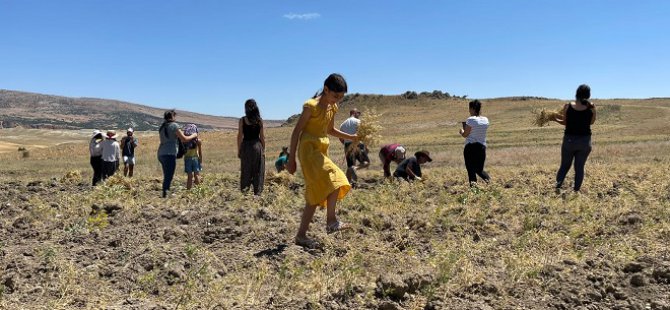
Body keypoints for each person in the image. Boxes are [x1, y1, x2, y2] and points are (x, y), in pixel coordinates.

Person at [287, 73, 356, 247]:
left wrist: (351, 137)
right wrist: (291, 158)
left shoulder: (332, 108)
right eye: (335, 96)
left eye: (340, 98)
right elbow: (296, 132)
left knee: (316, 193)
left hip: (321, 150)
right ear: (326, 89)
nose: (337, 100)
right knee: (335, 175)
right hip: (308, 150)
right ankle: (331, 221)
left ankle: (301, 236)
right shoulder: (311, 106)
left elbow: (330, 130)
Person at [552, 84, 597, 192]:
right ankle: (576, 191)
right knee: (579, 167)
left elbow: (565, 122)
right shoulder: (592, 107)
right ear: (588, 95)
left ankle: (557, 188)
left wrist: (554, 118)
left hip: (569, 140)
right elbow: (592, 122)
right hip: (585, 142)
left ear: (576, 94)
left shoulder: (568, 106)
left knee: (564, 166)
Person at [157, 110, 198, 198]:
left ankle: (165, 192)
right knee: (169, 175)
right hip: (169, 153)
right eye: (175, 116)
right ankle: (165, 195)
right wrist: (194, 135)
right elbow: (184, 139)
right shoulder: (174, 125)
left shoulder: (162, 127)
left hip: (161, 153)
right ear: (172, 116)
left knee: (166, 174)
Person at [237, 99, 265, 195]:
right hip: (257, 146)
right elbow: (262, 137)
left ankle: (245, 192)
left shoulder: (242, 120)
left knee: (246, 170)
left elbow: (240, 136)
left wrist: (239, 149)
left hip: (246, 147)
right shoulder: (259, 120)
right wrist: (263, 150)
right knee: (257, 170)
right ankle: (257, 193)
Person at [459, 100, 491, 186]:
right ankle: (489, 182)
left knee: (470, 169)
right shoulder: (485, 120)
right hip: (482, 147)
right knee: (479, 169)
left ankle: (474, 190)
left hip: (470, 147)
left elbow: (465, 135)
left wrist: (462, 131)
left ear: (472, 109)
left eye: (469, 109)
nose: (469, 111)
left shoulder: (470, 120)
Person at [339, 108, 369, 185]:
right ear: (354, 113)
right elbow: (363, 135)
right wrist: (366, 146)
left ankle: (347, 184)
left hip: (347, 145)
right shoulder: (358, 122)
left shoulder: (343, 124)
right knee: (366, 162)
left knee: (350, 167)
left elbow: (340, 138)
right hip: (358, 144)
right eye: (358, 113)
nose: (359, 115)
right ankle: (355, 169)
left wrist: (346, 144)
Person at [182, 124, 202, 190]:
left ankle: (188, 191)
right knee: (197, 175)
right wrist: (200, 160)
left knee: (190, 176)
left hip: (187, 159)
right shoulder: (198, 141)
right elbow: (200, 152)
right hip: (195, 158)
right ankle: (198, 191)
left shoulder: (184, 141)